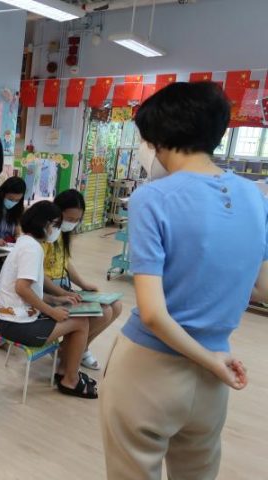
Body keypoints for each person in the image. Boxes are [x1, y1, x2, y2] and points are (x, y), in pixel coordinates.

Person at [100, 82, 266, 479]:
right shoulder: (256, 197)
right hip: (215, 373)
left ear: (157, 139)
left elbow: (154, 314)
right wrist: (212, 356)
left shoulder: (152, 198)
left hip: (149, 368)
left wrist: (209, 360)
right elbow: (262, 288)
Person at [0, 201, 97, 399]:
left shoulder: (25, 242)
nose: (57, 230)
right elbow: (22, 288)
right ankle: (70, 380)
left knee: (75, 318)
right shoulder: (32, 249)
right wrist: (52, 311)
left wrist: (56, 299)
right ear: (45, 224)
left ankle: (66, 371)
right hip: (17, 324)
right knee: (81, 322)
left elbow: (27, 289)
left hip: (15, 318)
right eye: (56, 225)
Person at [42, 189, 122, 370]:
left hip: (62, 288)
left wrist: (83, 284)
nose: (72, 224)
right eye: (69, 219)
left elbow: (65, 263)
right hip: (49, 293)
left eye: (76, 220)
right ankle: (71, 351)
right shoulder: (46, 234)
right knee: (104, 312)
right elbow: (38, 275)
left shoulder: (62, 234)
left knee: (116, 306)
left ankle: (77, 348)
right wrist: (62, 293)